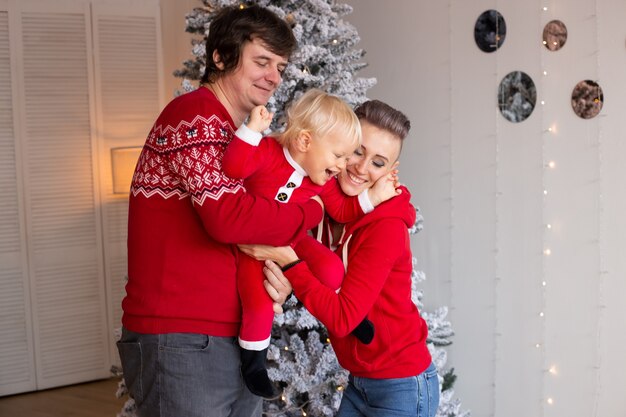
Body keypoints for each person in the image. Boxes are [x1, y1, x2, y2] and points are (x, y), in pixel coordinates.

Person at [116, 5, 324, 417]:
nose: (274, 77)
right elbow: (227, 217)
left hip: (227, 333)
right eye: (262, 61)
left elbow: (254, 224)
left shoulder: (242, 136)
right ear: (220, 57)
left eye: (280, 67)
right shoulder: (196, 118)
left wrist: (279, 273)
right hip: (182, 337)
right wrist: (310, 213)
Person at [239, 100, 440, 417]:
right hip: (360, 381)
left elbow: (343, 316)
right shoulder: (328, 199)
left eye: (378, 162)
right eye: (358, 151)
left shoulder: (385, 227)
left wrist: (289, 263)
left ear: (391, 172)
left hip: (400, 385)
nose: (361, 168)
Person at [222, 89, 399, 398]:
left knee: (331, 268)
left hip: (292, 242)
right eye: (347, 154)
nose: (347, 166)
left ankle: (356, 319)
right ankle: (254, 364)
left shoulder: (324, 179)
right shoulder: (269, 153)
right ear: (306, 141)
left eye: (378, 162)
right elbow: (235, 167)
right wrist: (250, 131)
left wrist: (375, 197)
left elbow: (343, 210)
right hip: (253, 245)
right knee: (259, 302)